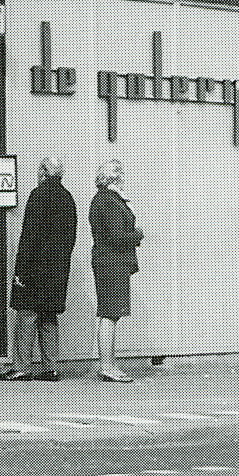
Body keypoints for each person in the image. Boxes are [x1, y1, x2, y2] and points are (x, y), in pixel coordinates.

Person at [0, 157, 77, 382]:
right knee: (49, 315)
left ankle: (21, 367)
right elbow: (70, 239)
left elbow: (29, 237)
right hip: (58, 268)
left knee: (26, 314)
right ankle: (51, 367)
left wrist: (20, 271)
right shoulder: (68, 198)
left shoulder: (38, 195)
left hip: (35, 267)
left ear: (42, 172)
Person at [89, 159, 142, 383]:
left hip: (109, 261)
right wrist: (138, 234)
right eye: (121, 175)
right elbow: (117, 237)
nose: (124, 179)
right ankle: (107, 366)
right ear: (115, 177)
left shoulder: (104, 199)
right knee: (110, 314)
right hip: (112, 263)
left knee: (110, 314)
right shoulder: (108, 201)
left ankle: (108, 364)